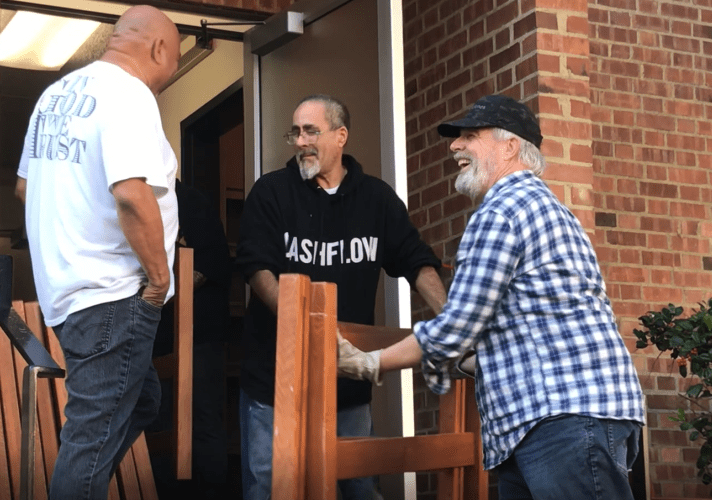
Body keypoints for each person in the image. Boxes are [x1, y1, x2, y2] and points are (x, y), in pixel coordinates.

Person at [337, 94, 646, 500]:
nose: (454, 146)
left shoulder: (501, 211)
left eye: (470, 136)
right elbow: (530, 323)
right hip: (555, 420)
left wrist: (370, 363)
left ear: (510, 146)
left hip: (560, 422)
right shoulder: (548, 207)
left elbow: (457, 326)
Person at [235, 94, 447, 500]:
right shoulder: (271, 193)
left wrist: (455, 323)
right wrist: (306, 329)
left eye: (310, 130)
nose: (300, 141)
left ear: (340, 136)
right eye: (294, 132)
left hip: (346, 386)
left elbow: (416, 261)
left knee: (357, 488)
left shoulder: (377, 200)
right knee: (270, 486)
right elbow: (257, 270)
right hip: (273, 381)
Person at [14, 5, 181, 498]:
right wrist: (159, 280)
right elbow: (131, 193)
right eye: (172, 62)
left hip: (71, 297)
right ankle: (79, 479)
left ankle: (80, 473)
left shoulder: (54, 96)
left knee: (142, 401)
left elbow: (26, 188)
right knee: (89, 440)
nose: (167, 78)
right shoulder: (128, 93)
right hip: (114, 296)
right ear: (158, 49)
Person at [151, 179, 232, 497]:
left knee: (203, 422)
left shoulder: (192, 202)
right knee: (158, 422)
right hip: (157, 338)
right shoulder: (143, 205)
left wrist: (156, 291)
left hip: (201, 335)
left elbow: (206, 267)